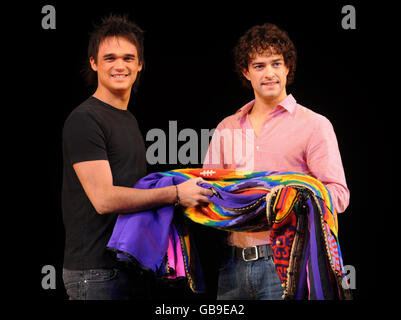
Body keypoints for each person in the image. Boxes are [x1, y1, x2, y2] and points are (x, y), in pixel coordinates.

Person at [61, 14, 212, 300]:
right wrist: (176, 193)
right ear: (94, 63)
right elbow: (104, 199)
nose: (120, 66)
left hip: (128, 268)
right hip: (95, 273)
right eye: (110, 58)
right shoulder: (85, 119)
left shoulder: (127, 120)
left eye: (129, 58)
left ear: (140, 64)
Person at [203, 23, 350, 300]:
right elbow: (209, 188)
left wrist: (295, 196)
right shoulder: (227, 127)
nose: (269, 73)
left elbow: (339, 195)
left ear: (287, 69)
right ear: (246, 72)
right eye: (259, 66)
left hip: (288, 263)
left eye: (276, 64)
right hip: (233, 264)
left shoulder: (314, 125)